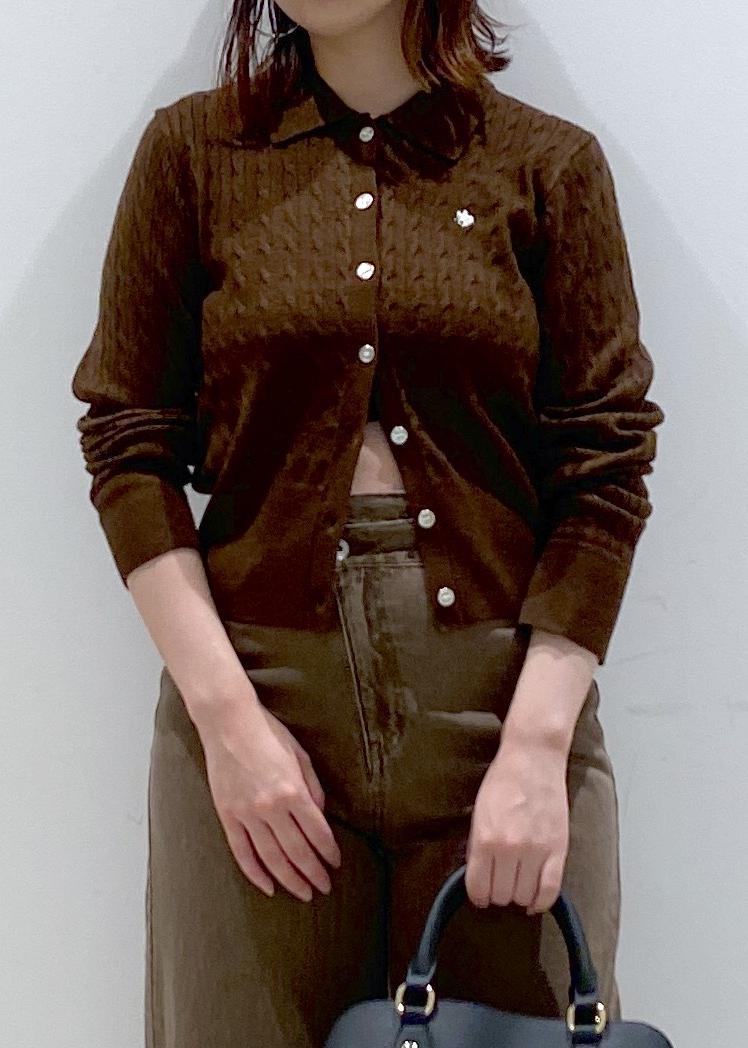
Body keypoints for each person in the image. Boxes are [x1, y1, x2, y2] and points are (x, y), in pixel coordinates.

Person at [69, 2, 666, 1046]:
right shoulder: (194, 154)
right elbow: (128, 442)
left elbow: (606, 465)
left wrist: (535, 748)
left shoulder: (547, 165)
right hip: (255, 712)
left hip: (503, 714)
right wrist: (228, 725)